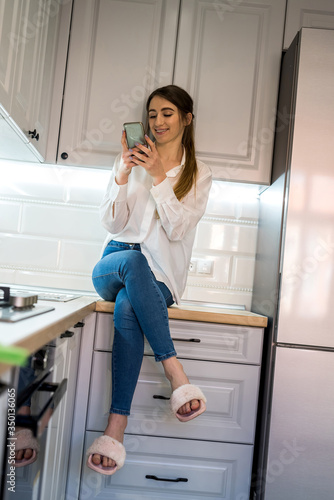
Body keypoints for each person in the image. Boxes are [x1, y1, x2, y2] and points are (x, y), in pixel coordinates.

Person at [86, 85, 212, 475]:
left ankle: (116, 426)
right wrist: (124, 172)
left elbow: (177, 230)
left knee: (129, 304)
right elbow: (111, 223)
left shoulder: (199, 173)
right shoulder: (128, 161)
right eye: (153, 114)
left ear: (187, 119)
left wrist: (159, 177)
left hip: (161, 278)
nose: (158, 121)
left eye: (168, 113)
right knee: (131, 267)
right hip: (115, 262)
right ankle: (174, 370)